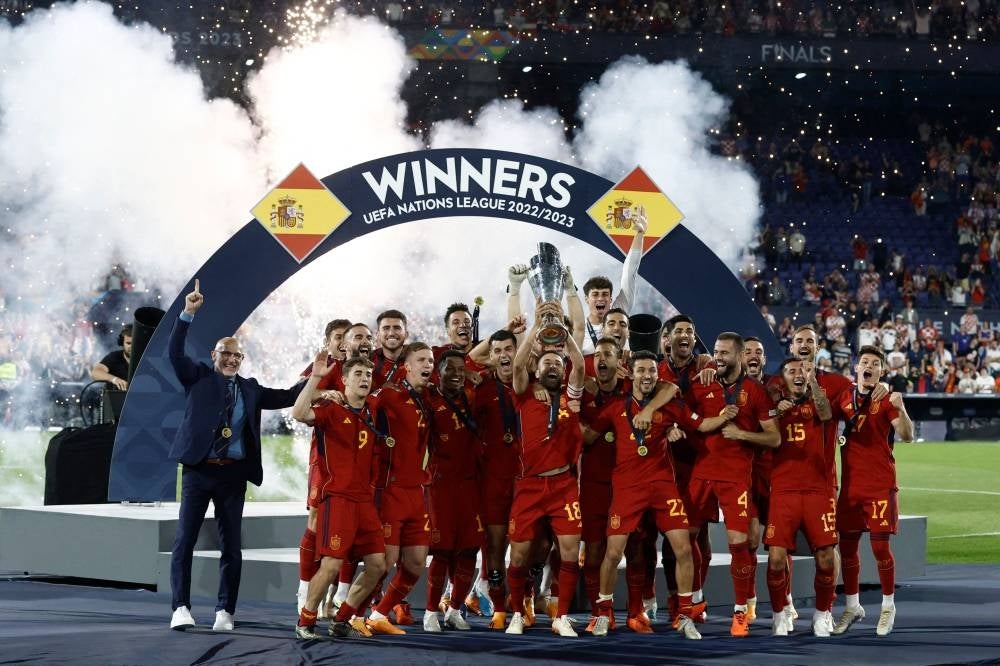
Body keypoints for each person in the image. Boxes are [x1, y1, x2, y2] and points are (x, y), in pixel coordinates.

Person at [168, 280, 305, 632]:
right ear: (214, 355)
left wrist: (318, 374)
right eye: (225, 353)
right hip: (199, 470)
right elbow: (175, 353)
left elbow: (288, 395)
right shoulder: (197, 376)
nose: (231, 359)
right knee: (185, 540)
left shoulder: (250, 388)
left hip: (232, 475)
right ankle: (180, 607)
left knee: (231, 545)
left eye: (237, 356)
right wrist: (187, 314)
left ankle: (225, 611)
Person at [586, 351, 713, 640]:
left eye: (652, 371)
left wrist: (728, 421)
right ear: (631, 374)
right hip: (627, 488)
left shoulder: (670, 405)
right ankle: (603, 613)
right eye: (641, 370)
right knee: (613, 553)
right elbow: (589, 435)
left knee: (683, 549)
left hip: (662, 486)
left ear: (658, 374)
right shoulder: (615, 407)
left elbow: (702, 425)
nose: (647, 376)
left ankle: (685, 615)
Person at [686, 332, 779, 637]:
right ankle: (695, 601)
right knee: (687, 537)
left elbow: (774, 437)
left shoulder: (755, 391)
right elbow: (686, 417)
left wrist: (742, 435)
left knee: (739, 544)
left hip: (736, 478)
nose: (719, 357)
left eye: (725, 352)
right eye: (716, 351)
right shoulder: (701, 383)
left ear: (740, 356)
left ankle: (740, 612)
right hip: (701, 473)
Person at [292, 354, 388, 640]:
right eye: (358, 374)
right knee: (331, 564)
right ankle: (306, 620)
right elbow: (298, 413)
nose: (364, 379)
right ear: (344, 380)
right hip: (337, 499)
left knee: (378, 565)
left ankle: (343, 617)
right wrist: (316, 378)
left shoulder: (372, 409)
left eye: (368, 375)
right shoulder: (331, 408)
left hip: (364, 501)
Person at [505, 301, 586, 637]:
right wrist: (537, 329)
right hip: (529, 485)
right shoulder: (524, 394)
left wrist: (564, 335)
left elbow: (579, 366)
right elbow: (518, 364)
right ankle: (517, 612)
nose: (552, 366)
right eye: (546, 363)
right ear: (537, 372)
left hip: (564, 486)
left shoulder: (572, 397)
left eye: (557, 363)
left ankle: (561, 616)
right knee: (519, 555)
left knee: (569, 552)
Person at [831, 346, 914, 637]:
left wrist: (901, 406)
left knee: (880, 548)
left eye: (875, 363)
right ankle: (852, 606)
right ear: (857, 367)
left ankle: (888, 606)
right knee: (847, 548)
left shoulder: (887, 400)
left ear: (881, 372)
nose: (869, 366)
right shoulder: (844, 396)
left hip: (880, 485)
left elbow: (907, 436)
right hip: (851, 488)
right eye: (864, 361)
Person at [364, 342, 436, 634]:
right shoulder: (389, 394)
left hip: (417, 491)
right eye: (421, 360)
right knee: (386, 561)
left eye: (430, 360)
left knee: (417, 562)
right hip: (391, 489)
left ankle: (379, 614)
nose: (427, 365)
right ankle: (352, 613)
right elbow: (360, 407)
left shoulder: (429, 397)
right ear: (406, 366)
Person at [765, 357, 838, 637]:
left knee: (826, 558)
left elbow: (826, 414)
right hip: (784, 490)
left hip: (817, 490)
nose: (799, 374)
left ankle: (822, 614)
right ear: (782, 378)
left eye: (803, 370)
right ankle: (779, 614)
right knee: (776, 559)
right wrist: (776, 409)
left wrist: (813, 380)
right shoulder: (773, 404)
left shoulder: (817, 400)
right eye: (792, 371)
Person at [421, 350, 483, 632]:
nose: (457, 374)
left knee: (469, 549)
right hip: (440, 485)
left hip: (470, 484)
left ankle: (455, 610)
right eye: (450, 369)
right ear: (439, 372)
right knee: (443, 550)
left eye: (461, 369)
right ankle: (430, 612)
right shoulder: (429, 400)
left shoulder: (472, 396)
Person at [579, 208, 648, 353]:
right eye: (595, 294)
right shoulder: (579, 329)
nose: (600, 298)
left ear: (611, 299)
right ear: (586, 299)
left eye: (605, 294)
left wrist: (640, 234)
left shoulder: (619, 312)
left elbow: (630, 272)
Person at [90, 324, 132, 390]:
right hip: (117, 396)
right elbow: (95, 373)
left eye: (135, 343)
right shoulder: (114, 357)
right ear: (121, 343)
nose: (132, 347)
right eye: (128, 343)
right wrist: (114, 379)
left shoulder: (146, 359)